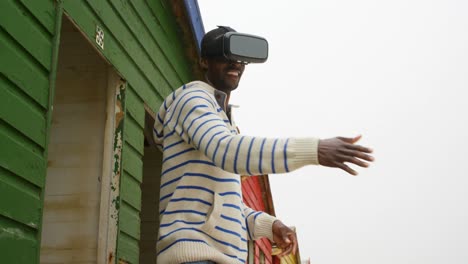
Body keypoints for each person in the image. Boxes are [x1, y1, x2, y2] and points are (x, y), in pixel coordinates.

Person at [152, 26, 374, 264]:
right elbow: (228, 150)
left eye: (241, 59)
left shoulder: (222, 120)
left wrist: (270, 225)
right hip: (195, 256)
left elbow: (225, 207)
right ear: (204, 61)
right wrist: (315, 150)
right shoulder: (193, 99)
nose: (236, 64)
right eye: (226, 56)